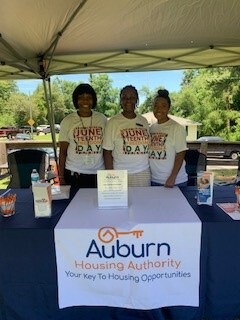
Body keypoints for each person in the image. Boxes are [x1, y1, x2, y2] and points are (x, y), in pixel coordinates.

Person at [58, 83, 107, 188]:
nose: (85, 101)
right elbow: (62, 152)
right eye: (81, 98)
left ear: (93, 100)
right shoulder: (68, 121)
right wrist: (61, 177)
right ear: (76, 100)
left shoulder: (102, 119)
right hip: (74, 174)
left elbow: (107, 148)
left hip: (98, 174)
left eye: (89, 97)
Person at [103, 85, 150, 186]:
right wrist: (111, 176)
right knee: (122, 202)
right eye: (124, 97)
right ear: (120, 101)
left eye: (132, 97)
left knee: (143, 201)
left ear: (137, 100)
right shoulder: (113, 122)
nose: (128, 100)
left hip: (143, 172)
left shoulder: (143, 121)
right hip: (120, 173)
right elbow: (107, 152)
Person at [149, 89, 187, 187]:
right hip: (154, 179)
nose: (159, 109)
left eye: (163, 106)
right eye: (156, 106)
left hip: (174, 182)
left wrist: (172, 177)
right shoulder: (151, 128)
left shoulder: (176, 128)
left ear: (168, 108)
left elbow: (180, 154)